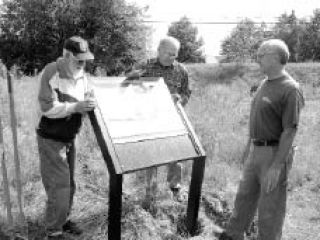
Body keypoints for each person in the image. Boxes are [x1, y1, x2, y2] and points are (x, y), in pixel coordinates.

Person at [219, 39, 304, 240]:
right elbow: (256, 119)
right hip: (256, 151)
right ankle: (233, 235)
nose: (257, 59)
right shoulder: (264, 84)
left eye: (261, 55)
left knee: (270, 207)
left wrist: (276, 166)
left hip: (274, 154)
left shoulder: (290, 89)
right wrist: (248, 147)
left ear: (275, 57)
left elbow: (289, 131)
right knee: (244, 197)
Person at [36, 36, 96, 239]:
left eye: (85, 60)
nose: (83, 64)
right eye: (79, 60)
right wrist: (76, 107)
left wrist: (90, 103)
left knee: (70, 183)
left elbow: (89, 97)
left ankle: (63, 219)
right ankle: (53, 231)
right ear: (67, 55)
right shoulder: (52, 71)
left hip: (70, 137)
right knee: (59, 185)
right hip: (51, 139)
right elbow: (46, 108)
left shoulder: (83, 75)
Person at [127, 36, 191, 197]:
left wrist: (180, 100)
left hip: (172, 119)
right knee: (152, 155)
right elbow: (127, 85)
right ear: (159, 51)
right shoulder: (144, 66)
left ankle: (175, 187)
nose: (172, 57)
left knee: (175, 153)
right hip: (149, 119)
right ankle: (151, 189)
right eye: (169, 53)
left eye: (175, 54)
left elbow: (186, 93)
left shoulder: (181, 70)